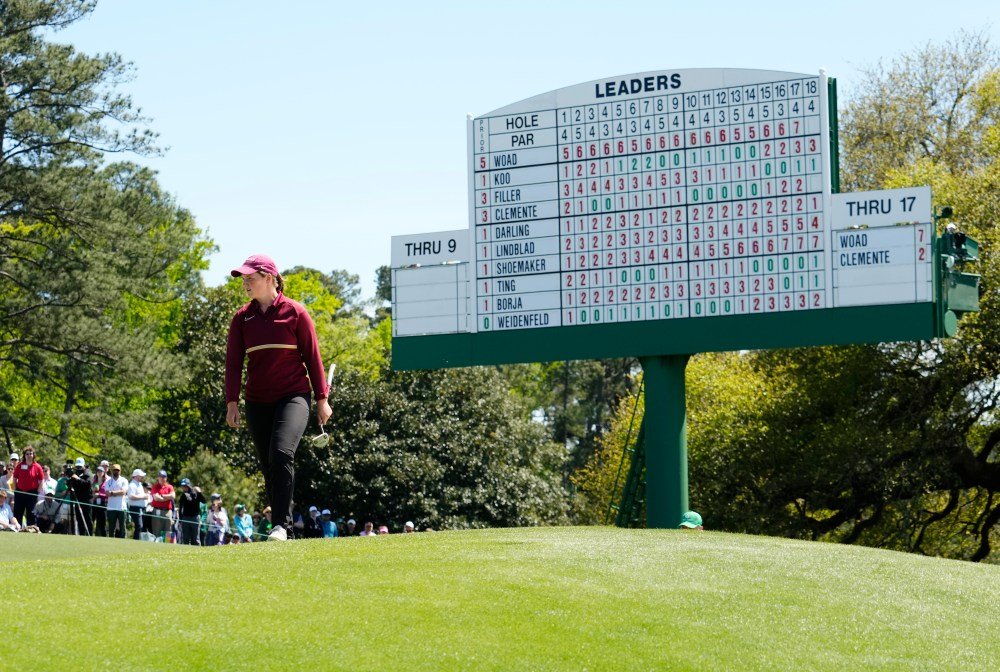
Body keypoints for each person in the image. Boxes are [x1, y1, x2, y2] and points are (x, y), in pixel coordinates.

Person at [224, 254, 332, 541]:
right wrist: (231, 402)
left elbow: (313, 357)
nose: (245, 284)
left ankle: (282, 526)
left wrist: (322, 399)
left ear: (270, 278)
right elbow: (233, 363)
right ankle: (284, 528)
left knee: (282, 452)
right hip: (257, 401)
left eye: (251, 278)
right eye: (243, 280)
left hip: (293, 397)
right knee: (268, 463)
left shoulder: (296, 313)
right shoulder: (241, 318)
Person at [11, 446, 45, 526]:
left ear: (33, 455)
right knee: (18, 512)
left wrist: (37, 491)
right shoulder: (20, 465)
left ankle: (31, 529)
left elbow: (42, 480)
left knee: (31, 513)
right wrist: (15, 489)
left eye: (31, 454)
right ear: (24, 455)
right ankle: (17, 528)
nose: (29, 455)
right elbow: (15, 478)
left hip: (32, 493)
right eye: (27, 454)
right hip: (20, 492)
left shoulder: (37, 466)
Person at [149, 470, 175, 541]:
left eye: (164, 477)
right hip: (157, 511)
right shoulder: (155, 486)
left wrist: (163, 496)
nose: (162, 478)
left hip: (167, 512)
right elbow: (156, 498)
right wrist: (167, 498)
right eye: (160, 477)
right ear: (158, 478)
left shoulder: (170, 487)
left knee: (168, 532)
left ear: (166, 478)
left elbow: (173, 496)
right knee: (156, 532)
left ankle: (168, 548)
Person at [176, 479, 204, 545]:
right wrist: (180, 520)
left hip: (194, 518)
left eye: (185, 486)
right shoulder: (183, 495)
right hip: (185, 518)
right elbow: (180, 508)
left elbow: (202, 501)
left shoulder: (195, 494)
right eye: (182, 486)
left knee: (195, 539)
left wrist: (198, 493)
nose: (183, 487)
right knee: (185, 539)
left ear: (188, 486)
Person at [104, 465, 128, 539]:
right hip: (111, 508)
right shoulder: (108, 481)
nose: (116, 471)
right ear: (112, 471)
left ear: (120, 471)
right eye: (114, 470)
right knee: (111, 528)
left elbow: (123, 492)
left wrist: (112, 493)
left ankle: (123, 542)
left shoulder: (124, 480)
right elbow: (107, 493)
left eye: (117, 470)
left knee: (122, 527)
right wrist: (117, 492)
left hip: (121, 507)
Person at [127, 469, 148, 540]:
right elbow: (131, 496)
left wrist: (145, 496)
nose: (142, 477)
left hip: (141, 509)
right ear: (136, 476)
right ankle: (136, 541)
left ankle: (138, 540)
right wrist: (143, 496)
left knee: (141, 526)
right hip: (135, 508)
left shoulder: (139, 484)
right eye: (141, 476)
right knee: (139, 525)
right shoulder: (132, 485)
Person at [92, 464, 110, 537]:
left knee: (102, 523)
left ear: (104, 473)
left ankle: (104, 537)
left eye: (101, 471)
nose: (99, 473)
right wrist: (93, 494)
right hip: (94, 503)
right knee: (92, 520)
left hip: (103, 503)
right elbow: (91, 491)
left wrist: (99, 495)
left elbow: (107, 494)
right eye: (98, 471)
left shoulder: (107, 482)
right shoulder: (94, 481)